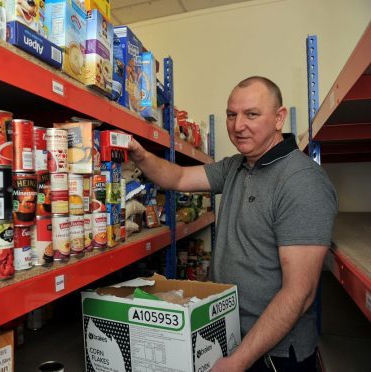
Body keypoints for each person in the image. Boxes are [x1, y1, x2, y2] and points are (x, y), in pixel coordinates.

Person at [128, 76, 338, 372]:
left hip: (273, 355)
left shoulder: (301, 183)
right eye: (231, 114)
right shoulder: (236, 165)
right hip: (229, 335)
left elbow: (300, 293)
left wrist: (238, 362)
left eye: (251, 114)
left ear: (279, 118)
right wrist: (140, 155)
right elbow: (177, 177)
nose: (238, 126)